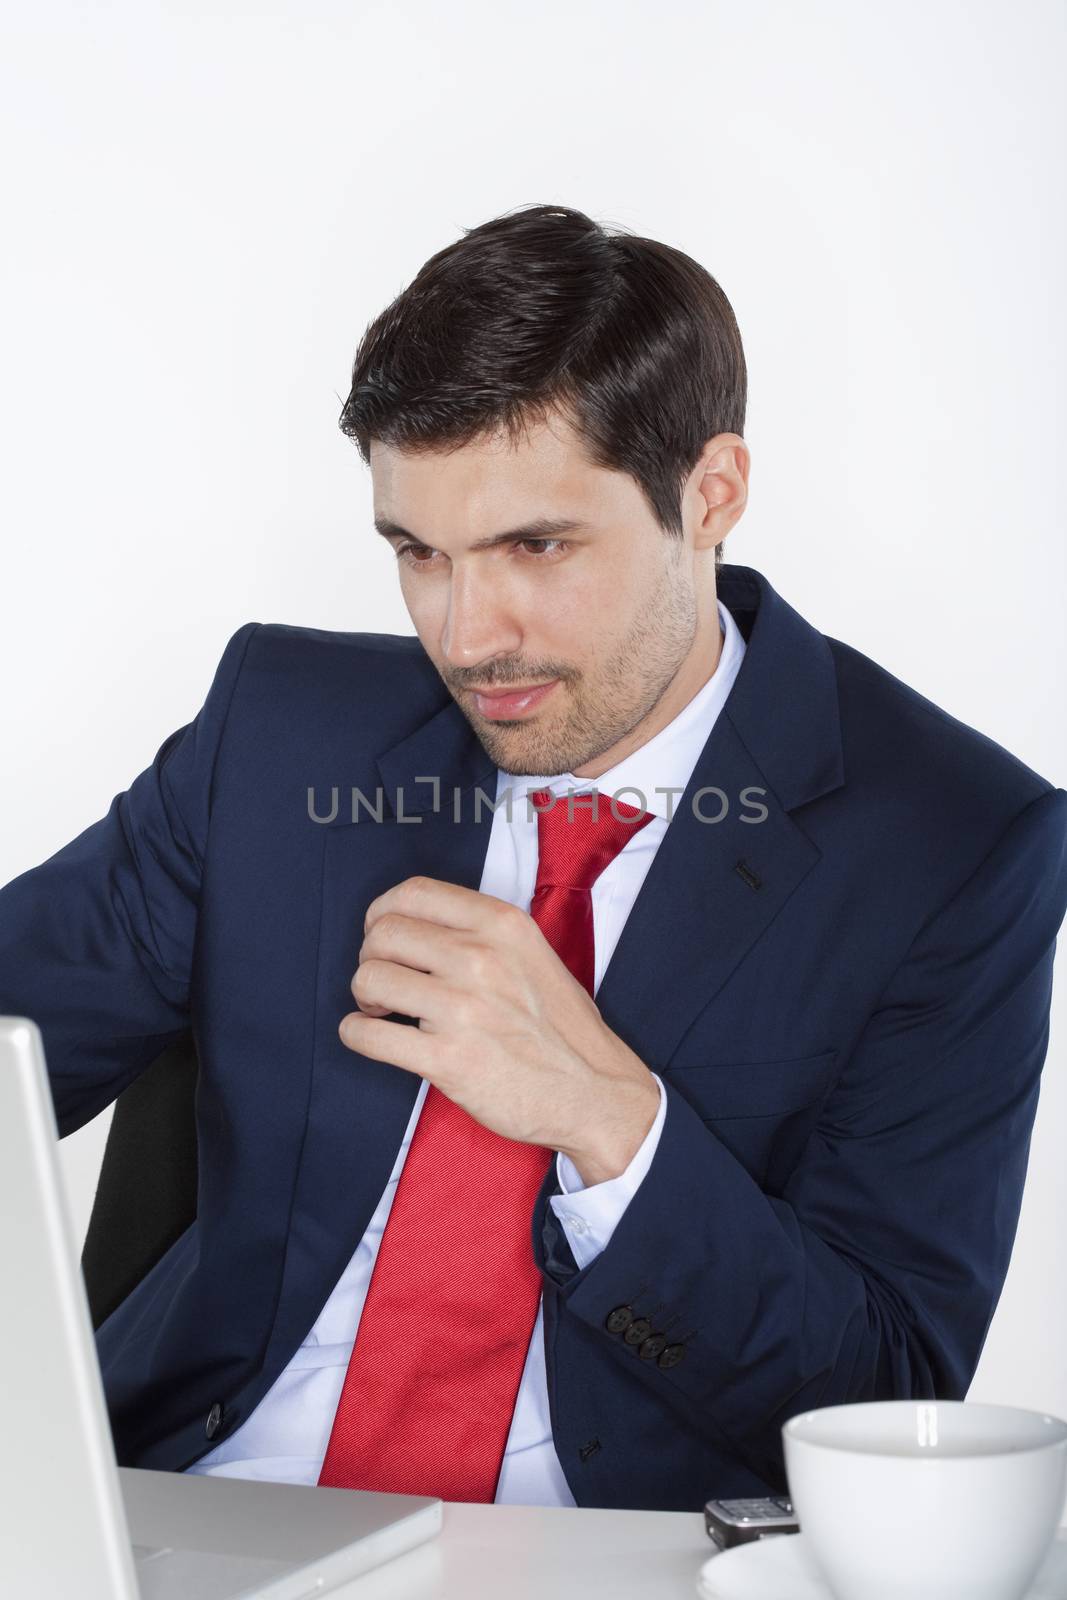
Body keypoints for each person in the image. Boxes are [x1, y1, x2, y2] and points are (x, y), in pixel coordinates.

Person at [2, 203, 1065, 1514]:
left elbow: (881, 1397)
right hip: (200, 1510)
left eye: (536, 546)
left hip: (609, 1559)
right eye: (417, 554)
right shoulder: (276, 737)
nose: (467, 637)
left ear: (711, 492)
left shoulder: (953, 845)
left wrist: (609, 1121)